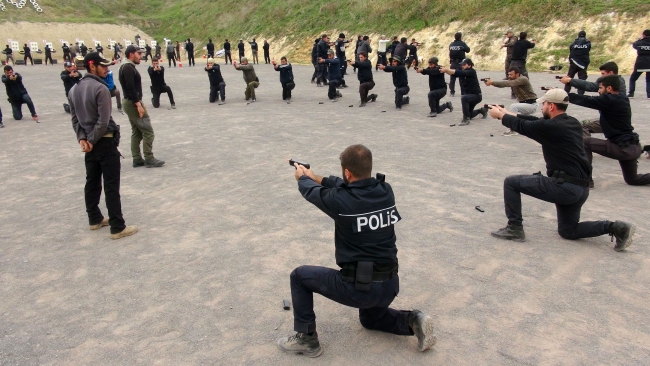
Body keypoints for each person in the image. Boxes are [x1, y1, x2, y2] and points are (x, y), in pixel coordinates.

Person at [277, 144, 436, 357]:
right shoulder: (385, 190)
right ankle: (412, 320)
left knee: (299, 276)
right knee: (370, 319)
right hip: (390, 285)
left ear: (347, 172)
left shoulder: (340, 201)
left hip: (360, 288)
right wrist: (316, 176)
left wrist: (303, 177)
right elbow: (342, 185)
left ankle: (307, 339)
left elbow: (310, 191)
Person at [487, 89, 635, 251]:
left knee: (511, 182)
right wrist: (506, 112)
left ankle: (514, 228)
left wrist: (501, 117)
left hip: (564, 188)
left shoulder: (550, 127)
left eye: (544, 104)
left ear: (551, 106)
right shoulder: (572, 122)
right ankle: (615, 227)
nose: (542, 107)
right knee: (568, 230)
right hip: (580, 189)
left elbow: (526, 126)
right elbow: (533, 122)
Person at [68, 52, 138, 240]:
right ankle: (117, 226)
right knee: (111, 185)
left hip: (89, 145)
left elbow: (75, 119)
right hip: (104, 141)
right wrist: (91, 140)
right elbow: (103, 120)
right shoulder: (101, 89)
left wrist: (83, 139)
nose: (107, 70)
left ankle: (94, 218)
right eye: (104, 66)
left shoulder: (74, 90)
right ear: (92, 66)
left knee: (92, 182)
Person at [569, 75, 650, 186]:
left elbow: (586, 100)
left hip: (623, 148)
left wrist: (562, 95)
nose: (599, 90)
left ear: (609, 88)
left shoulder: (610, 100)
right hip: (632, 146)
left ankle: (586, 180)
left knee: (585, 142)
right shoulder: (621, 98)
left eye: (601, 88)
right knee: (632, 179)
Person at [118, 45, 165, 168]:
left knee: (137, 132)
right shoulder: (128, 67)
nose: (141, 56)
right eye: (139, 54)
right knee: (148, 131)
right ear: (131, 54)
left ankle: (137, 159)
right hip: (133, 102)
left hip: (130, 102)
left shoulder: (126, 66)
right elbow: (130, 87)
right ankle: (149, 158)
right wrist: (138, 104)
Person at [558, 61, 626, 137]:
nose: (601, 76)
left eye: (603, 74)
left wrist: (569, 83)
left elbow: (590, 89)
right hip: (609, 120)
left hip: (613, 124)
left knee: (582, 126)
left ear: (610, 73)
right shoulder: (615, 85)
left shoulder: (611, 94)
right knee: (582, 125)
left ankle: (587, 147)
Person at [483, 66, 538, 135]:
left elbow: (508, 83)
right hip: (524, 105)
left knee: (514, 107)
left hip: (531, 105)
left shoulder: (523, 79)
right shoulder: (513, 79)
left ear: (517, 74)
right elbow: (503, 82)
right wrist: (491, 82)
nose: (509, 76)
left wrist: (492, 82)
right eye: (508, 74)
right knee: (525, 122)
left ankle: (514, 130)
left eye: (511, 74)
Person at [440, 58, 487, 125]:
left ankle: (466, 119)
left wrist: (447, 70)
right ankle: (482, 110)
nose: (462, 66)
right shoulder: (463, 72)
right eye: (462, 65)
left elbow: (460, 72)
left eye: (464, 64)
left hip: (476, 96)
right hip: (470, 96)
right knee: (470, 114)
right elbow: (454, 73)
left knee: (464, 98)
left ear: (469, 65)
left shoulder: (471, 71)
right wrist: (445, 70)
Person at [563, 31, 591, 95]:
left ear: (578, 36)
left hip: (573, 61)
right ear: (585, 36)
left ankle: (566, 93)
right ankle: (580, 95)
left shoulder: (574, 43)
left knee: (569, 78)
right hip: (583, 63)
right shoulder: (587, 43)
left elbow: (570, 49)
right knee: (582, 79)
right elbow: (588, 50)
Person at [628, 29, 650, 98]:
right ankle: (649, 95)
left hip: (640, 63)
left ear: (643, 35)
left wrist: (639, 39)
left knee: (633, 79)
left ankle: (631, 93)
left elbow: (634, 45)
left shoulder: (640, 42)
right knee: (648, 80)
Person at [448, 32, 470, 97]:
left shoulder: (451, 44)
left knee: (452, 78)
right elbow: (468, 50)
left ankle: (452, 91)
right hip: (461, 63)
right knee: (462, 77)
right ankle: (463, 92)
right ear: (460, 37)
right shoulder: (462, 44)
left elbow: (450, 53)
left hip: (453, 62)